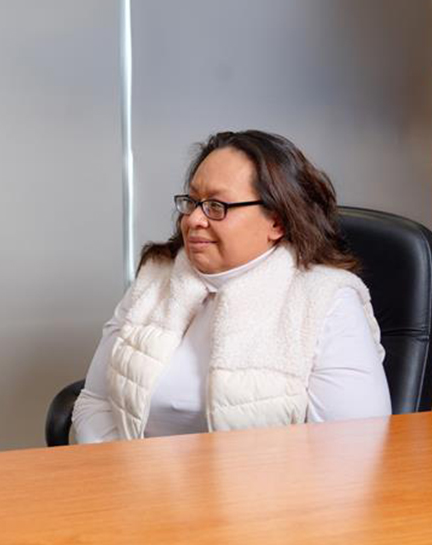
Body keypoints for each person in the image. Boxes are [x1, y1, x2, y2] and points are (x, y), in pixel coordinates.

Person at [73, 130, 391, 443]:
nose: (194, 219)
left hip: (271, 494)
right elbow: (95, 403)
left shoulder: (326, 299)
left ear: (277, 222)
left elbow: (353, 447)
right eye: (193, 201)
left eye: (216, 206)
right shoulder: (156, 278)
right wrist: (124, 478)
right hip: (137, 487)